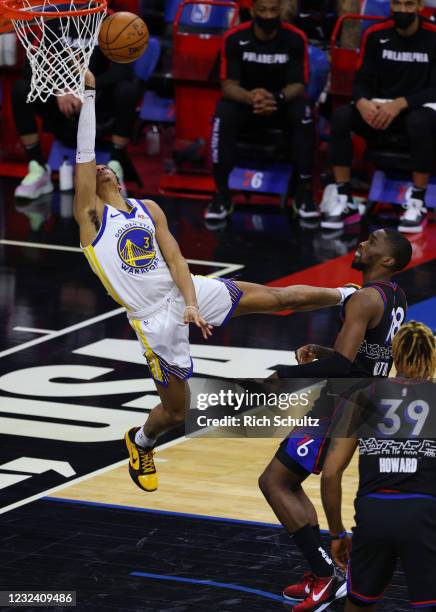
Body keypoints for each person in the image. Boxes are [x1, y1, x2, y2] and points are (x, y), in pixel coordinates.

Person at [74, 69, 359, 495]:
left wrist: (191, 302)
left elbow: (175, 258)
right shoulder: (91, 219)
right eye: (94, 169)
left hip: (183, 291)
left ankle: (347, 294)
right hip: (152, 319)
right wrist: (90, 96)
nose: (100, 168)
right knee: (176, 411)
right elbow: (84, 153)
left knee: (274, 297)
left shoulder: (147, 208)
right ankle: (141, 442)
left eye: (105, 167)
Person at [258, 228, 411, 611]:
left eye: (372, 242)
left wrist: (285, 374)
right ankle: (323, 571)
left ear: (388, 260)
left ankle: (326, 574)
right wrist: (323, 350)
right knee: (285, 481)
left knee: (275, 482)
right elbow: (369, 356)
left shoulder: (362, 299)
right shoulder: (395, 297)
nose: (362, 243)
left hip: (343, 403)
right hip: (361, 397)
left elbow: (343, 366)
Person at [321, 320, 436, 611]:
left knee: (358, 604)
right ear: (432, 357)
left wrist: (336, 533)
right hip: (425, 516)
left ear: (394, 355)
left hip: (373, 514)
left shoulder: (363, 394)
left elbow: (332, 472)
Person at [321, 0, 436, 233]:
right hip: (380, 110)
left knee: (419, 121)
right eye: (398, 4)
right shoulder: (375, 34)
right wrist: (362, 102)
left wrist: (400, 104)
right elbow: (361, 81)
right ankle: (345, 200)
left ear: (419, 7)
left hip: (419, 107)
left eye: (409, 4)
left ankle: (417, 201)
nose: (403, 10)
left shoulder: (433, 36)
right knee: (342, 116)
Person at [205, 0, 317, 222]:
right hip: (247, 104)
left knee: (303, 112)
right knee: (223, 112)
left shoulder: (295, 38)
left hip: (281, 104)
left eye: (273, 10)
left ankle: (304, 193)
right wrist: (251, 98)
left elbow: (299, 84)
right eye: (263, 10)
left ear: (280, 10)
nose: (268, 15)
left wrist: (276, 98)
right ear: (252, 10)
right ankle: (221, 194)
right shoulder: (235, 37)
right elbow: (228, 85)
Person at [13, 29, 139, 200]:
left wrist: (87, 88)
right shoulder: (52, 20)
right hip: (60, 102)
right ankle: (38, 169)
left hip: (97, 102)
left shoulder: (109, 22)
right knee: (21, 88)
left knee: (128, 90)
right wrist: (57, 89)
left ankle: (115, 167)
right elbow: (29, 68)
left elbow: (124, 71)